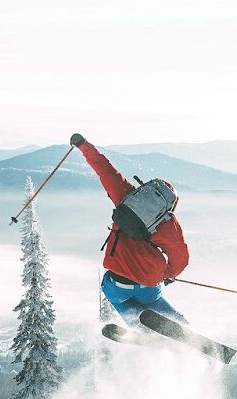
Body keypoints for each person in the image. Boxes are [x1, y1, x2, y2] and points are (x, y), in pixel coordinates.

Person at [70, 132, 189, 326]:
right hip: (149, 284)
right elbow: (180, 257)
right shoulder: (169, 224)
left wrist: (83, 145)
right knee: (154, 300)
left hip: (119, 284)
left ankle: (138, 328)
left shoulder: (126, 196)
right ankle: (181, 325)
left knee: (113, 293)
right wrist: (169, 274)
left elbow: (104, 169)